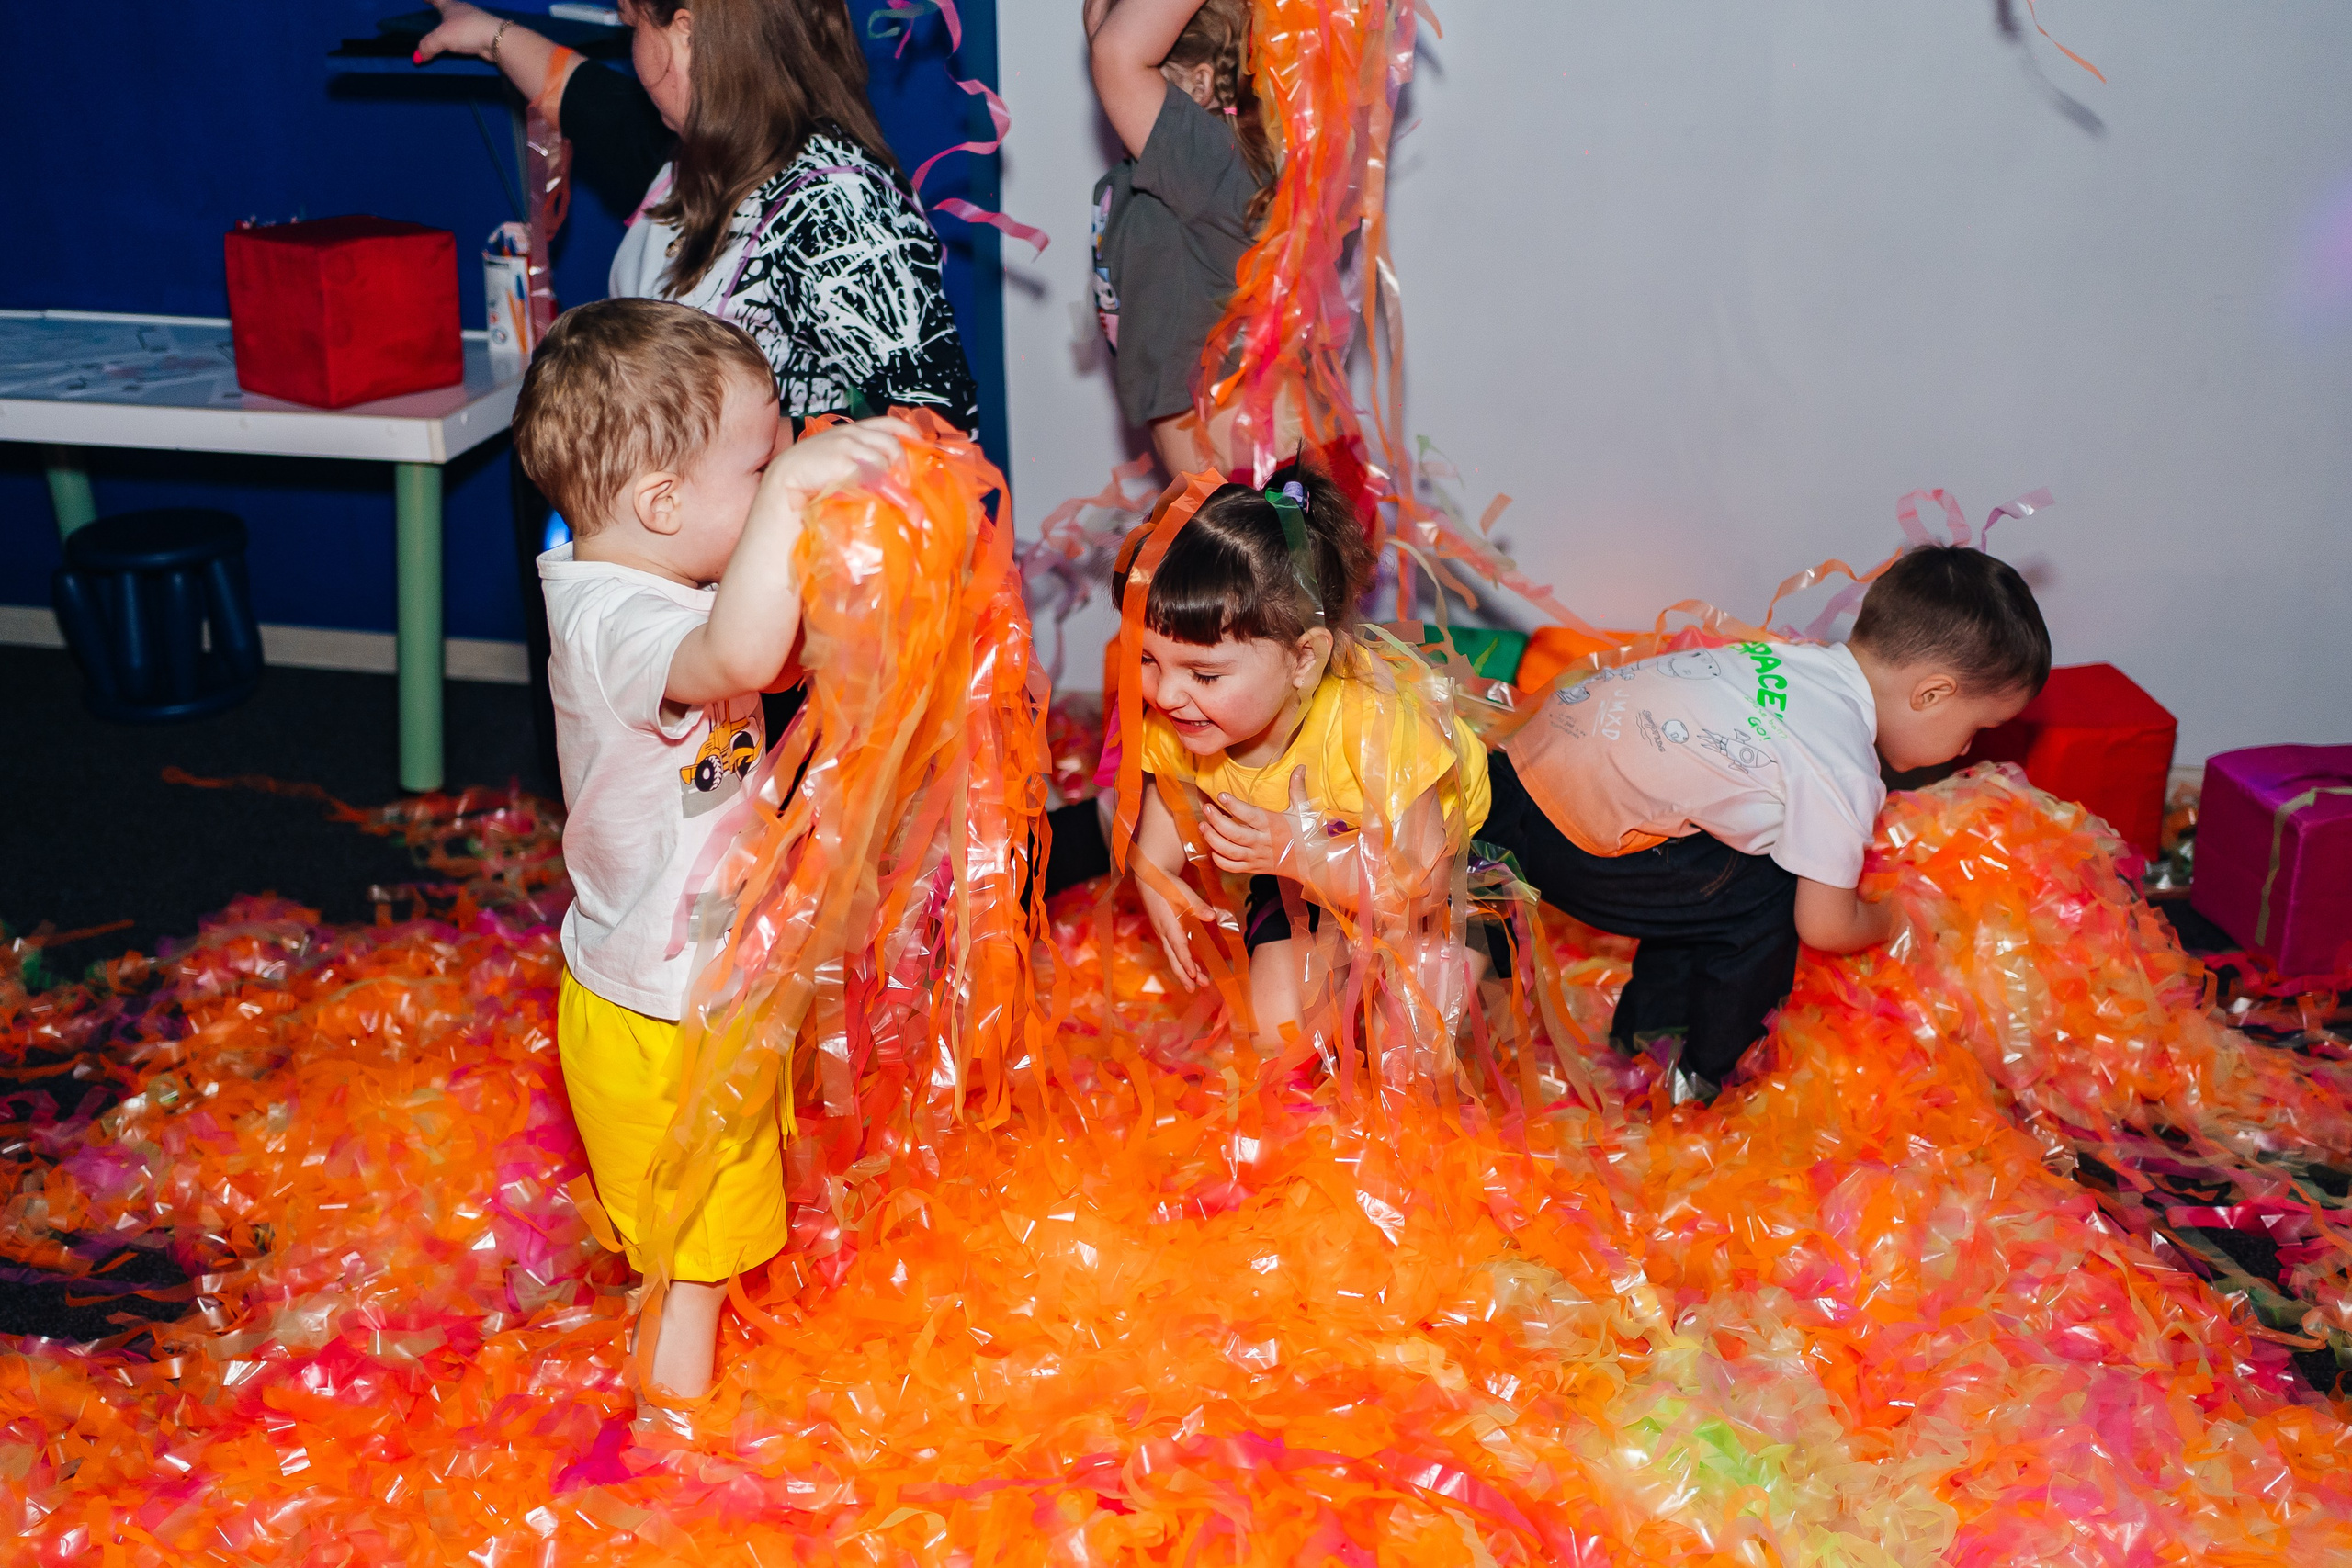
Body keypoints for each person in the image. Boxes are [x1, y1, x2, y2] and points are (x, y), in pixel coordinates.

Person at [511, 296, 914, 1404]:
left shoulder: (659, 587)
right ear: (661, 501)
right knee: (682, 1271)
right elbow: (737, 643)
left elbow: (763, 659)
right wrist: (795, 496)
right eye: (759, 460)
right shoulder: (614, 625)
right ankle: (665, 1461)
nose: (786, 460)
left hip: (710, 987)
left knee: (713, 1237)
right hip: (655, 1015)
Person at [1482, 545, 2051, 1102]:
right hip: (1567, 840)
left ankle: (1646, 1040)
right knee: (1770, 894)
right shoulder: (1842, 763)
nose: (1967, 747)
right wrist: (1892, 918)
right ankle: (1708, 1081)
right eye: (1976, 727)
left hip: (1507, 781)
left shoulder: (1783, 659)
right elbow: (1825, 926)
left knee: (1715, 875)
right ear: (1932, 694)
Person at [1117, 472, 1490, 1043]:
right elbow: (1167, 801)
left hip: (1439, 868)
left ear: (1302, 660)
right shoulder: (1186, 717)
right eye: (1147, 660)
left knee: (1411, 1056)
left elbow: (1422, 883)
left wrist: (1300, 848)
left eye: (1204, 673)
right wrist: (1158, 876)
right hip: (1295, 873)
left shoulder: (1379, 723)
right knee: (1278, 1042)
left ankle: (1485, 985)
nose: (1165, 694)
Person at [1085, 0, 1280, 479]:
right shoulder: (1177, 165)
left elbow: (1115, 54)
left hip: (1239, 448)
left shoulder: (1209, 164)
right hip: (1207, 443)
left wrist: (1114, 46)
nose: (1110, 90)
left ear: (1200, 86)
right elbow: (1103, 33)